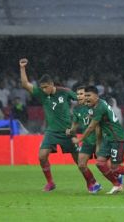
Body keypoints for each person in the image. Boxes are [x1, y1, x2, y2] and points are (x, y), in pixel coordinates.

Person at [19, 58, 89, 192]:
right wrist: (22, 68)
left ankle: (90, 182)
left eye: (46, 87)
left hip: (68, 131)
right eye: (42, 88)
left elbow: (80, 99)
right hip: (51, 131)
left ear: (51, 84)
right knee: (42, 156)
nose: (44, 90)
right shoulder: (41, 94)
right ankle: (50, 183)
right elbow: (25, 84)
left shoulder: (64, 91)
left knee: (79, 162)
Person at [73, 86, 124, 194]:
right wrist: (99, 144)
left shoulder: (100, 107)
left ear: (96, 96)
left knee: (114, 167)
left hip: (118, 138)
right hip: (108, 138)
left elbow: (92, 127)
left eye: (88, 95)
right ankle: (117, 184)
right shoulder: (96, 105)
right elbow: (98, 127)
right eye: (85, 95)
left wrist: (80, 139)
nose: (86, 98)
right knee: (100, 163)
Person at [66, 86, 102, 194]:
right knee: (81, 164)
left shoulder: (94, 107)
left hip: (99, 139)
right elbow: (76, 124)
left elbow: (98, 125)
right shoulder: (77, 109)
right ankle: (95, 184)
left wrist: (99, 143)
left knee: (104, 165)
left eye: (81, 94)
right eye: (77, 94)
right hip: (87, 140)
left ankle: (117, 177)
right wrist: (70, 130)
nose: (79, 96)